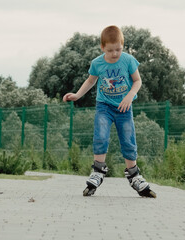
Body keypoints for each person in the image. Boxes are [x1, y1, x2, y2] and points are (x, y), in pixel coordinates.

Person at [63, 25, 156, 198]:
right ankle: (98, 170)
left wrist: (130, 96)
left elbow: (137, 81)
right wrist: (77, 95)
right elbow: (90, 81)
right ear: (102, 47)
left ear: (123, 45)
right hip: (104, 106)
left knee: (128, 139)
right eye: (110, 50)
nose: (115, 54)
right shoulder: (97, 63)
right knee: (101, 135)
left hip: (124, 108)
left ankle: (134, 174)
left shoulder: (128, 60)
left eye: (118, 49)